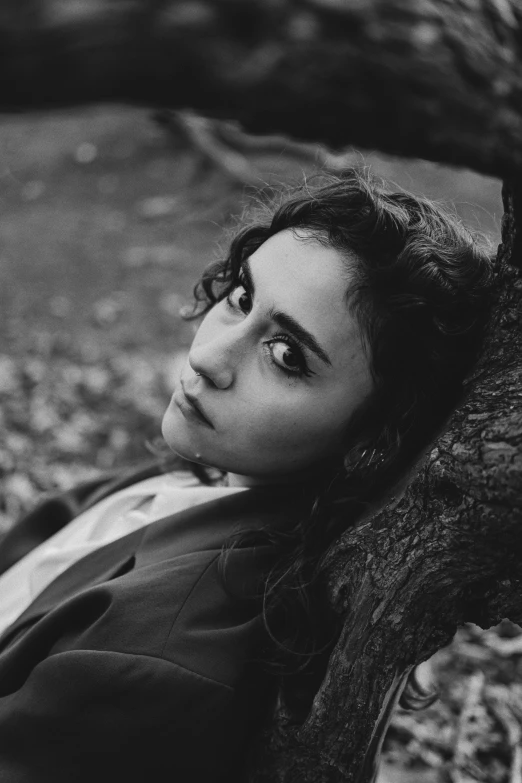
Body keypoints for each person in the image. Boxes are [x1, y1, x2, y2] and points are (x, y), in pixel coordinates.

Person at [0, 168, 494, 782]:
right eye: (241, 298)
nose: (207, 357)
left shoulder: (153, 660)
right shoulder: (215, 475)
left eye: (286, 356)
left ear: (374, 437)